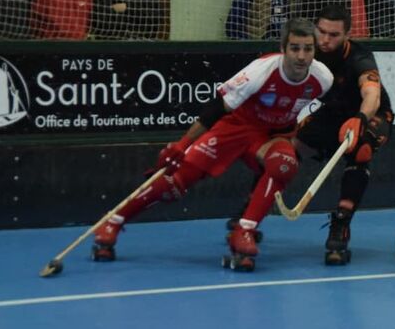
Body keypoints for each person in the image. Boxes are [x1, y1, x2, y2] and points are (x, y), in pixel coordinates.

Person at [91, 19, 333, 271]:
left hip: (270, 137)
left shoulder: (322, 78)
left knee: (284, 164)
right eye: (295, 48)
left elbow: (334, 105)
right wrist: (182, 144)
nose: (301, 56)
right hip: (235, 127)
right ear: (283, 48)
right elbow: (217, 109)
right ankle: (114, 221)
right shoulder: (260, 71)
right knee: (175, 182)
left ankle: (244, 231)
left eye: (308, 49)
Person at [294, 4, 394, 265]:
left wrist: (360, 119)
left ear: (347, 35)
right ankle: (251, 212)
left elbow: (371, 93)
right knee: (290, 146)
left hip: (372, 114)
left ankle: (341, 224)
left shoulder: (359, 58)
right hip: (334, 112)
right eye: (322, 32)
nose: (325, 40)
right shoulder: (308, 53)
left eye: (334, 35)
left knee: (361, 149)